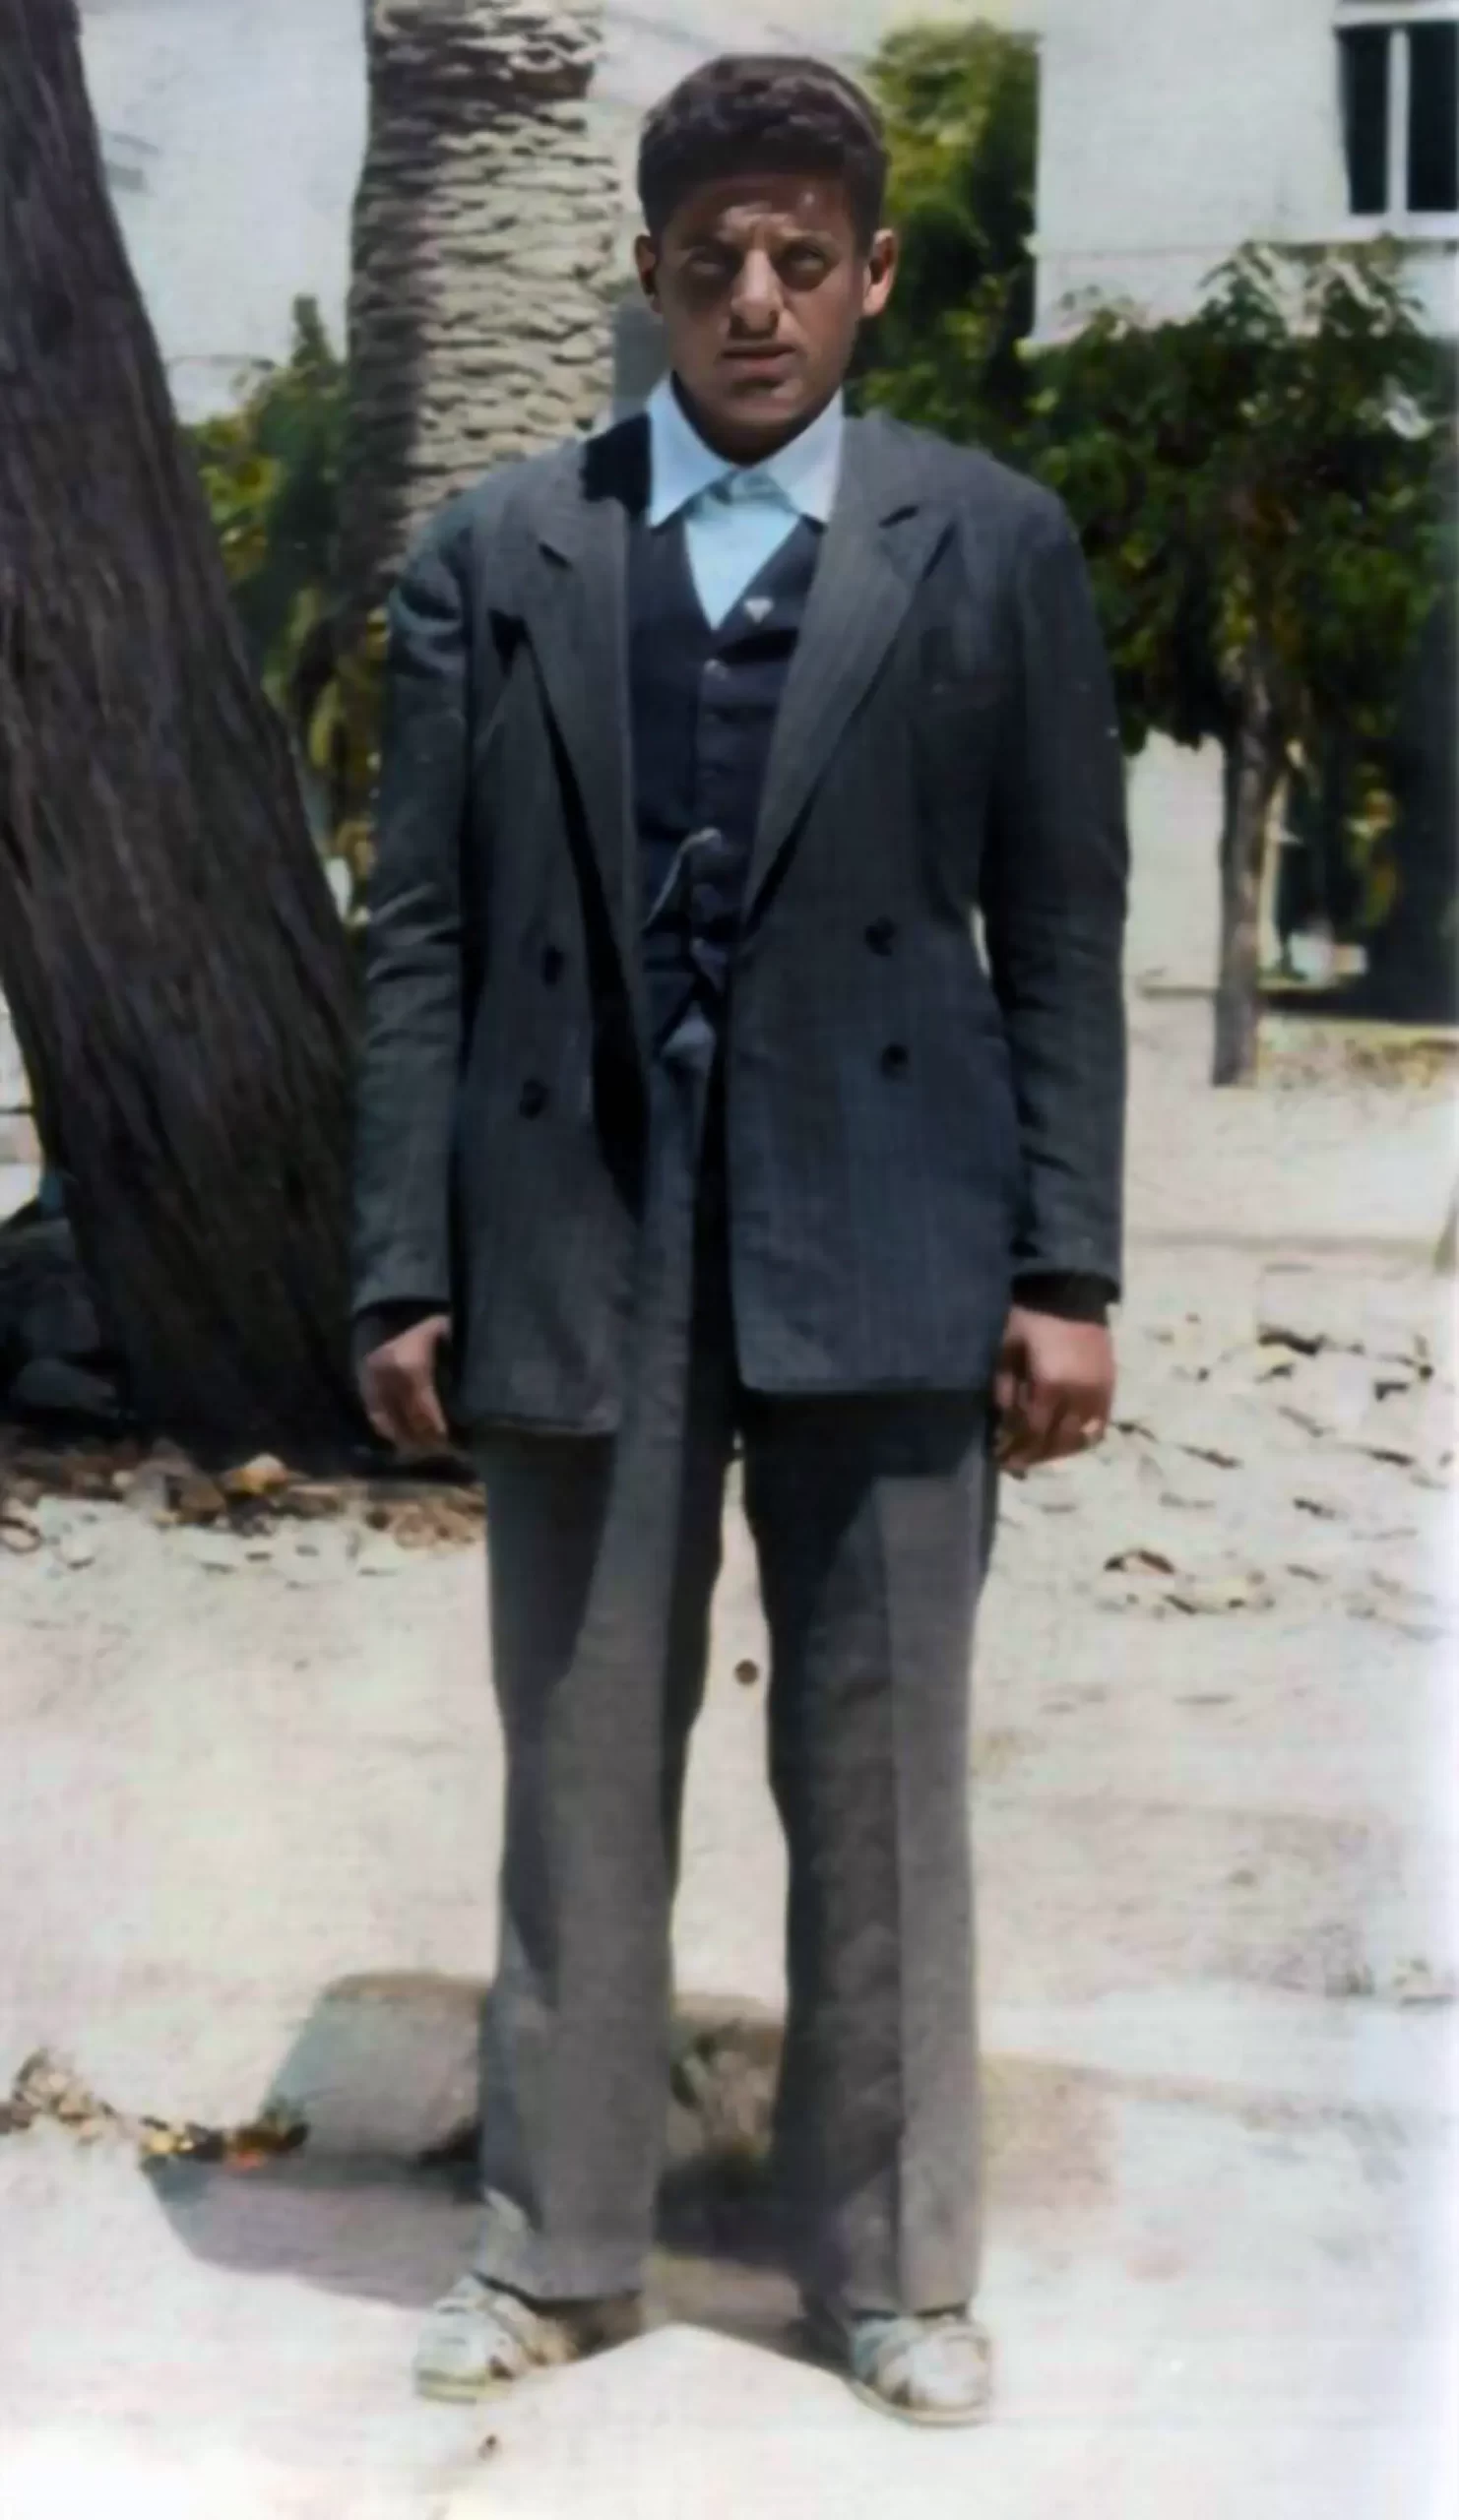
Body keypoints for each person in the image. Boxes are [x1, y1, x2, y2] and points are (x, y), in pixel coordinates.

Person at [350, 54, 1127, 2427]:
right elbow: (420, 935)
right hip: (576, 1221)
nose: (758, 301)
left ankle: (891, 2270)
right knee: (582, 1752)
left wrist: (1067, 1272)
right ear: (649, 275)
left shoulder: (992, 542)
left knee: (883, 1770)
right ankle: (556, 2247)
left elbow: (1061, 931)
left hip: (893, 1221)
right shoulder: (502, 548)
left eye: (803, 257)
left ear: (874, 273)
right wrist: (402, 1263)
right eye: (714, 263)